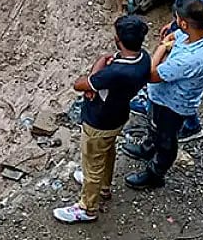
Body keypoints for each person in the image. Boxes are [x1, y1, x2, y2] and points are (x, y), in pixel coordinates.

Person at [52, 15, 151, 224]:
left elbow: (80, 84)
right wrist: (94, 85)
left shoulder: (114, 72)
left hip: (98, 122)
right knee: (107, 152)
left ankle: (87, 208)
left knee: (92, 164)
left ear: (118, 40)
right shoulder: (144, 59)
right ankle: (104, 187)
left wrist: (98, 65)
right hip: (118, 116)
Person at [122, 0, 203, 190]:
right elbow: (177, 35)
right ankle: (148, 149)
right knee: (154, 128)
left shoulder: (189, 60)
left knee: (165, 139)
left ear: (184, 23)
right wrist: (171, 38)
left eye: (177, 19)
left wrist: (161, 48)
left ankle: (155, 174)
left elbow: (150, 75)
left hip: (171, 105)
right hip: (168, 97)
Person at [130, 0, 203, 141]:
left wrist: (163, 46)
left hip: (177, 92)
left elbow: (151, 75)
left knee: (177, 87)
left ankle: (180, 126)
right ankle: (189, 124)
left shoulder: (185, 58)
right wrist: (174, 26)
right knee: (185, 85)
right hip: (189, 38)